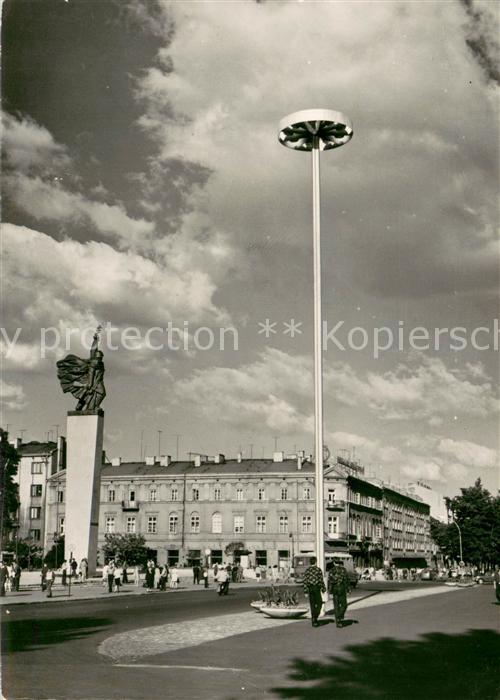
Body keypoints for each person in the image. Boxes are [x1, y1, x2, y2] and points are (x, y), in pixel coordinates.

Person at [303, 557, 325, 627]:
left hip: (310, 588)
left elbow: (305, 581)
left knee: (312, 604)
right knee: (319, 603)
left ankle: (313, 619)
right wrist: (323, 588)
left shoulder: (307, 570)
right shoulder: (318, 570)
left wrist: (306, 591)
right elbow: (321, 580)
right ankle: (315, 616)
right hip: (316, 588)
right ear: (315, 562)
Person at [328, 560, 350, 628]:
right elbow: (346, 580)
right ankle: (340, 616)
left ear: (334, 563)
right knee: (344, 605)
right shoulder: (343, 570)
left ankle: (338, 620)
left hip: (335, 589)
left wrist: (330, 591)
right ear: (339, 563)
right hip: (342, 589)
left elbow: (330, 582)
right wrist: (348, 590)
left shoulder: (331, 571)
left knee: (336, 605)